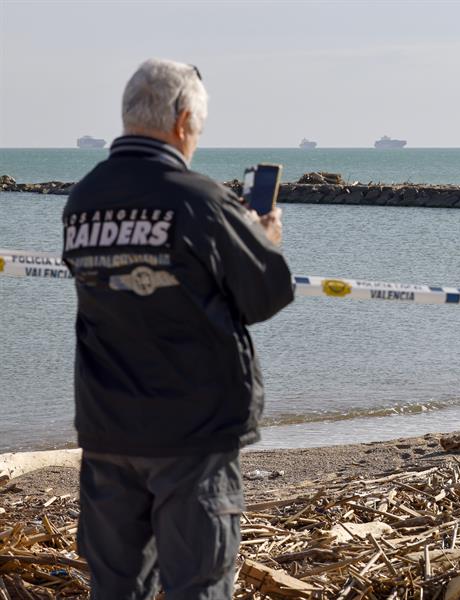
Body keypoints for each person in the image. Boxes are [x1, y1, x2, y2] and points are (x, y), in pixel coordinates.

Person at [61, 58, 295, 599]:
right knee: (200, 585)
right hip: (192, 431)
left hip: (107, 426)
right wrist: (264, 237)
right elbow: (263, 295)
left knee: (115, 588)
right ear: (184, 120)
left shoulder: (83, 200)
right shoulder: (199, 199)